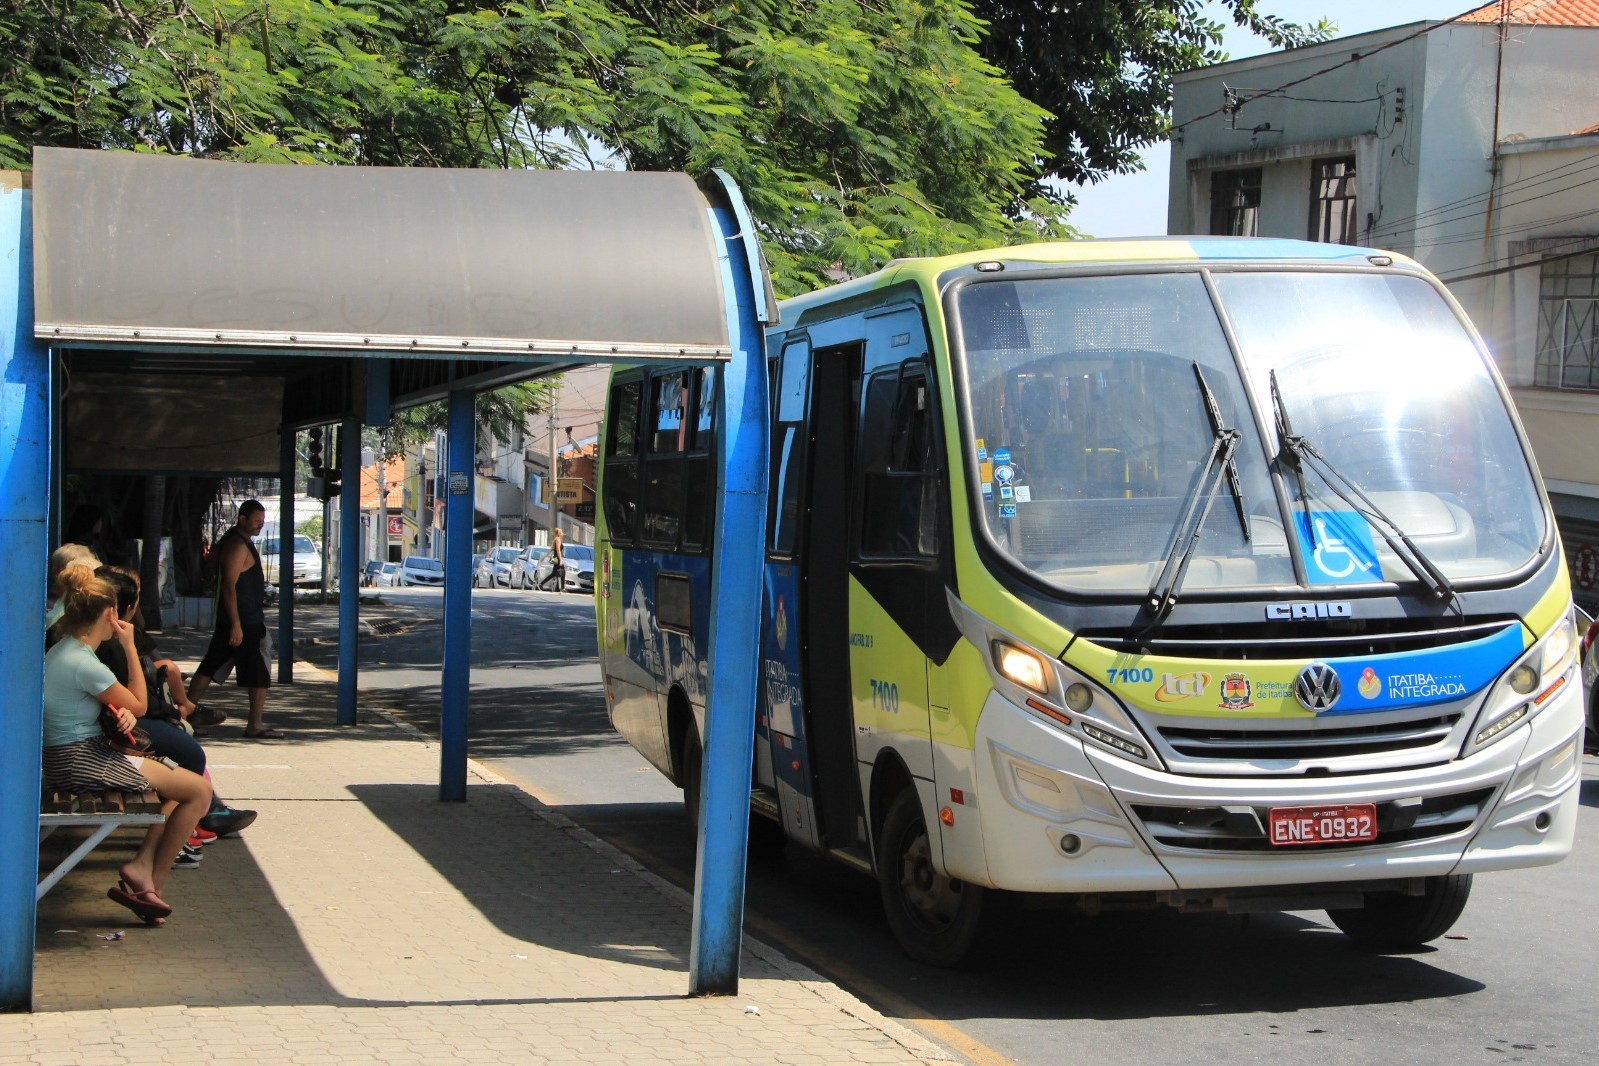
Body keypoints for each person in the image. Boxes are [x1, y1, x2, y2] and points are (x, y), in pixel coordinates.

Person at [42, 565, 212, 924]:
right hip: (81, 760)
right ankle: (153, 882)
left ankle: (141, 869)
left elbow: (120, 710)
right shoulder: (84, 663)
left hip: (69, 755)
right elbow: (141, 703)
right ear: (109, 614)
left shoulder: (65, 651)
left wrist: (125, 718)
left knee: (175, 785)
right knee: (197, 792)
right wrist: (130, 646)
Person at [96, 567, 257, 843]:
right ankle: (186, 830)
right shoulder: (110, 646)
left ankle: (203, 815)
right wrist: (173, 710)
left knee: (184, 745)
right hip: (103, 737)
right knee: (190, 753)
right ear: (124, 608)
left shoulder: (95, 643)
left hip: (108, 729)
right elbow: (139, 704)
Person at [186, 500, 280, 739]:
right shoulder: (237, 546)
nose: (261, 524)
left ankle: (183, 715)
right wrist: (236, 624)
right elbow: (229, 586)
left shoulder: (237, 541)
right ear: (242, 519)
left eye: (262, 520)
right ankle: (255, 724)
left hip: (239, 619)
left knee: (210, 666)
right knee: (258, 674)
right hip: (243, 621)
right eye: (257, 520)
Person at [545, 527, 565, 592]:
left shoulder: (555, 539)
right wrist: (561, 560)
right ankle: (562, 588)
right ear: (559, 533)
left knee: (553, 573)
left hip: (555, 557)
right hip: (557, 558)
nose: (562, 533)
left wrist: (544, 557)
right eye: (561, 532)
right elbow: (558, 550)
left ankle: (541, 583)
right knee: (563, 572)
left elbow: (551, 549)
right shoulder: (558, 539)